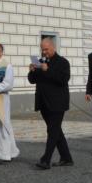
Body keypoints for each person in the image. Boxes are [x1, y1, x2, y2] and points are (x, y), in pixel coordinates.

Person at [28, 38, 73, 170]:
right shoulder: (41, 61)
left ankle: (46, 159)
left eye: (46, 49)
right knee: (55, 130)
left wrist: (47, 70)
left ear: (53, 47)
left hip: (57, 103)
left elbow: (63, 80)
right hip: (43, 102)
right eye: (42, 49)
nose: (44, 52)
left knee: (53, 130)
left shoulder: (63, 62)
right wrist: (32, 71)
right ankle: (66, 158)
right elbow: (32, 80)